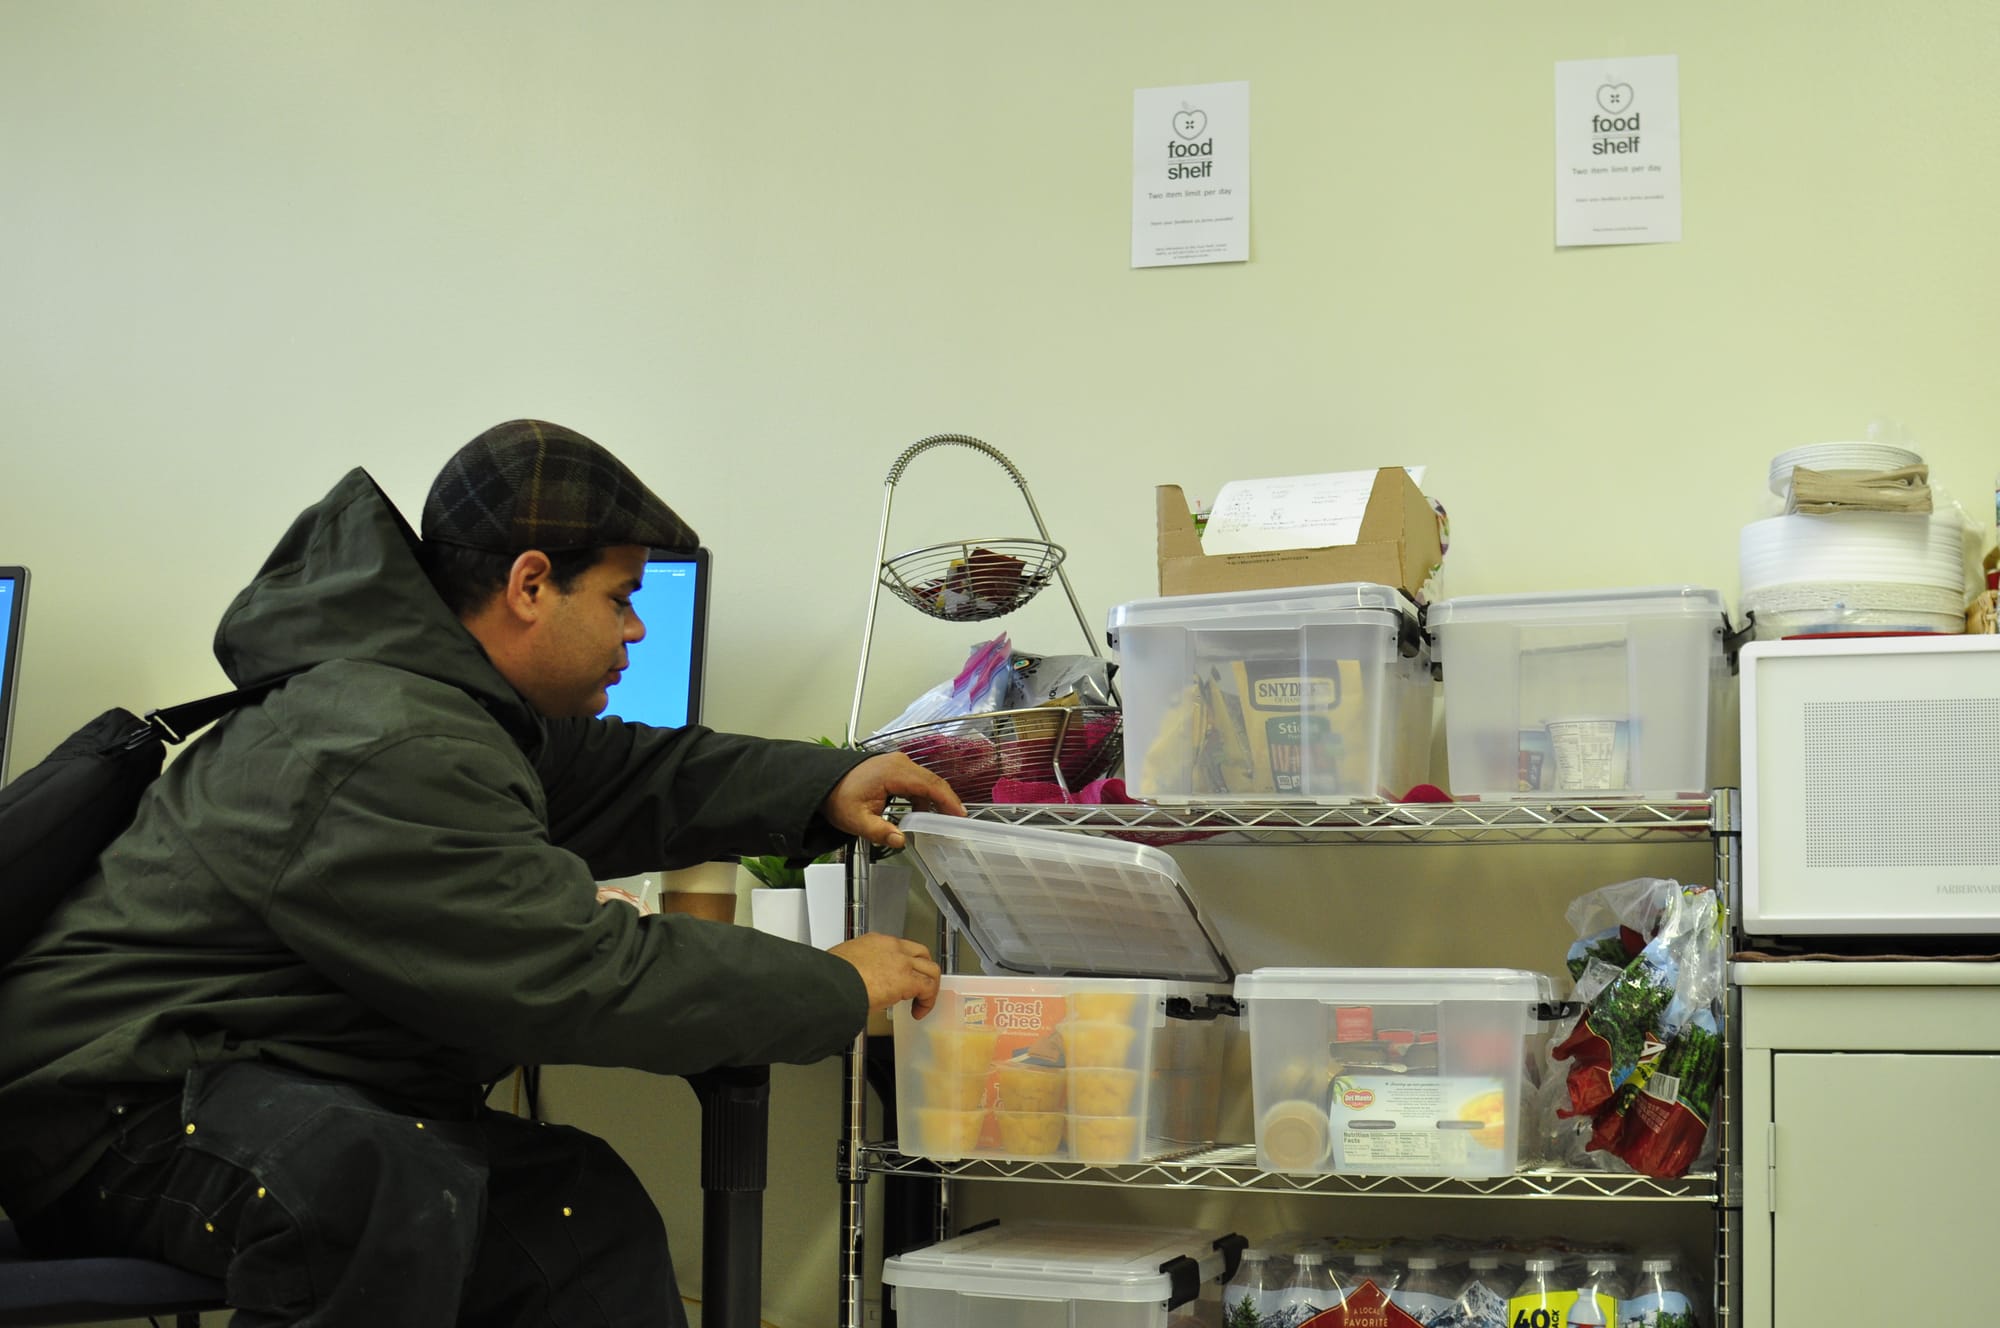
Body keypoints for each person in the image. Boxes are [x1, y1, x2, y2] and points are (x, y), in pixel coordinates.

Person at [0, 419, 965, 1326]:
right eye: (622, 597)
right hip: (112, 1108)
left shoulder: (448, 709)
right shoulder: (380, 737)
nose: (635, 630)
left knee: (576, 1214)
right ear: (531, 583)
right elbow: (568, 972)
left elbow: (631, 778)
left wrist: (826, 782)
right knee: (367, 1185)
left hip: (250, 1082)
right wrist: (832, 984)